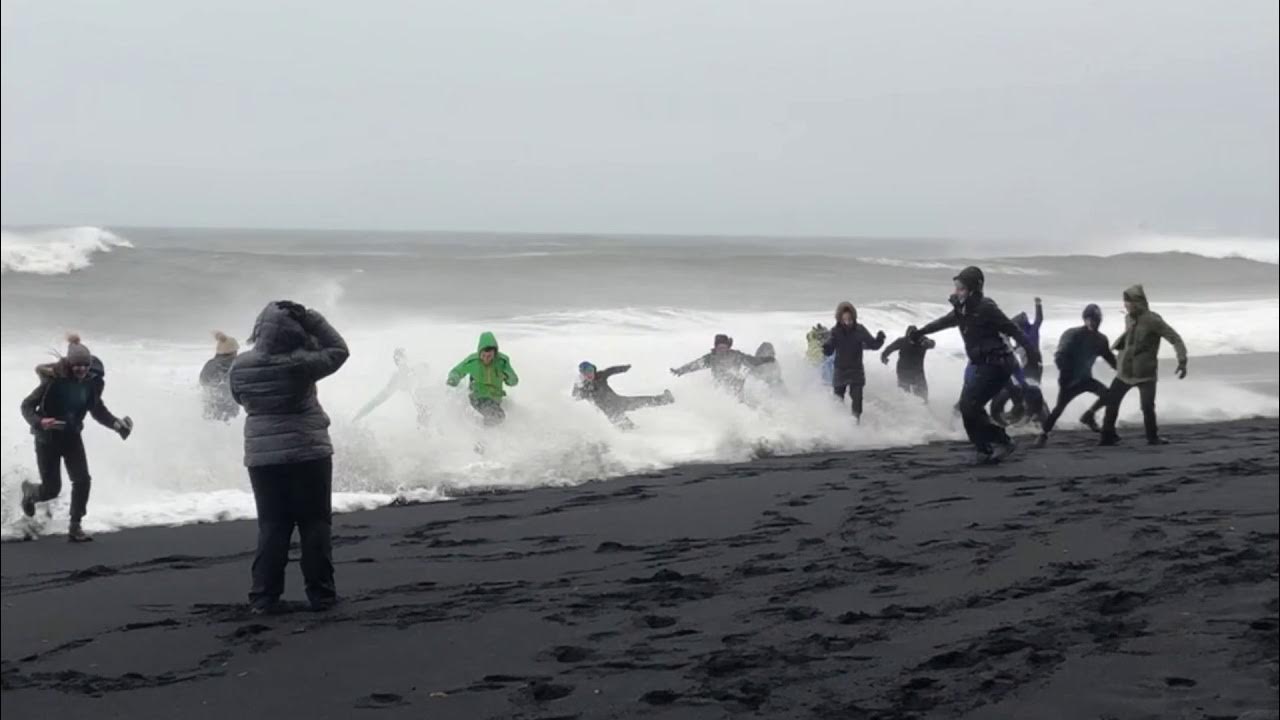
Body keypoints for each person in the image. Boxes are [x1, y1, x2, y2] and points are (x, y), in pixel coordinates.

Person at [229, 301, 349, 614]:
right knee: (314, 524)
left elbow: (238, 398)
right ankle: (321, 595)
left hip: (262, 456)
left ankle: (264, 597)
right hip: (309, 450)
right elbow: (339, 350)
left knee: (272, 526)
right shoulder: (302, 363)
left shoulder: (240, 366)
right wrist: (311, 318)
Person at [912, 266, 1041, 463]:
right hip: (980, 365)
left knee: (970, 406)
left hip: (998, 365)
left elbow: (1012, 329)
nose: (957, 292)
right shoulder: (961, 310)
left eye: (961, 289)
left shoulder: (986, 307)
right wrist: (920, 332)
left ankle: (1001, 442)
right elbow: (942, 323)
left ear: (974, 289)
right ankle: (984, 448)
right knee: (968, 408)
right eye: (956, 288)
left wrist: (1030, 352)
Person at [19, 334, 133, 542]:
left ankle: (75, 526)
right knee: (51, 489)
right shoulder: (53, 382)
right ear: (70, 365)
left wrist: (117, 425)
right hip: (47, 440)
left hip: (72, 437)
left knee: (82, 480)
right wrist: (40, 422)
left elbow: (97, 410)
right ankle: (30, 493)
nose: (81, 369)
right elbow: (26, 406)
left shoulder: (91, 383)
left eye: (85, 365)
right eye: (77, 365)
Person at [1099, 285, 1187, 446]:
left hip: (1145, 372)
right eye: (1125, 302)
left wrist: (1182, 361)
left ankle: (1153, 438)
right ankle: (1107, 436)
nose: (1125, 305)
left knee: (1147, 407)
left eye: (1128, 302)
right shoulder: (1128, 318)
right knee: (1112, 402)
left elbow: (1175, 338)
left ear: (1138, 302)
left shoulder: (1153, 320)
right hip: (1125, 371)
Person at [1034, 303, 1116, 447]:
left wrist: (1122, 369)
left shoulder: (1101, 340)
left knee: (1108, 395)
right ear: (1084, 319)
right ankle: (1043, 435)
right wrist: (1066, 373)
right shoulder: (1073, 334)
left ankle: (1089, 415)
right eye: (1089, 319)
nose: (1092, 322)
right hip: (1069, 380)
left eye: (1095, 319)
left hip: (1086, 379)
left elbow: (1109, 358)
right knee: (1058, 409)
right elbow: (1060, 355)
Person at [823, 302, 886, 421]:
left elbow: (873, 345)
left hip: (856, 371)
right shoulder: (835, 331)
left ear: (854, 317)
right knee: (838, 401)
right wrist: (826, 347)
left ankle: (855, 424)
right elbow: (829, 350)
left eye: (850, 319)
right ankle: (839, 426)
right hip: (840, 370)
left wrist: (880, 338)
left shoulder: (860, 330)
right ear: (840, 319)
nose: (847, 322)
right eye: (844, 319)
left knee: (857, 401)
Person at [670, 334, 775, 400]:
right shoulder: (711, 358)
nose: (722, 351)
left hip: (736, 385)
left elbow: (752, 360)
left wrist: (766, 359)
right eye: (719, 348)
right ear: (715, 347)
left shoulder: (735, 355)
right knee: (723, 396)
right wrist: (680, 371)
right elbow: (695, 365)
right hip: (721, 386)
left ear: (728, 347)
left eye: (724, 348)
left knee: (738, 391)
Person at [447, 331, 519, 426]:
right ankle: (486, 435)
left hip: (495, 399)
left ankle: (483, 433)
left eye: (489, 356)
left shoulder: (502, 362)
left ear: (495, 353)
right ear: (479, 352)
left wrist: (508, 376)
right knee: (498, 416)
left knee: (501, 415)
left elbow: (513, 381)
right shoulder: (473, 361)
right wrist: (453, 379)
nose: (486, 359)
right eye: (483, 355)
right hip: (478, 397)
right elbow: (456, 371)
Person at [573, 361, 674, 428]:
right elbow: (575, 397)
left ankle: (666, 399)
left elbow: (610, 370)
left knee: (644, 401)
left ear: (594, 370)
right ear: (582, 374)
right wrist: (582, 389)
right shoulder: (582, 386)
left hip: (619, 401)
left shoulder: (600, 376)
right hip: (611, 412)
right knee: (629, 429)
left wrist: (624, 368)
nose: (589, 374)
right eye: (586, 372)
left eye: (591, 371)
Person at [353, 348, 431, 426]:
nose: (398, 361)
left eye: (400, 358)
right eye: (396, 359)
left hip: (431, 404)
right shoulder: (398, 378)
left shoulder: (418, 369)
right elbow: (376, 401)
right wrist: (357, 417)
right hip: (426, 410)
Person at [880, 325, 935, 401]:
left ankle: (924, 409)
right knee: (904, 396)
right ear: (907, 335)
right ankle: (903, 410)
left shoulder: (923, 341)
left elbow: (932, 343)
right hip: (903, 371)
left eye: (914, 336)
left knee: (923, 397)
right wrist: (884, 356)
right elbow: (889, 349)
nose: (911, 339)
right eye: (909, 336)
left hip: (917, 373)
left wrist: (928, 342)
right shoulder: (902, 341)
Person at [200, 331, 240, 422]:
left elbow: (202, 381)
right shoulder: (235, 365)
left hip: (210, 408)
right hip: (230, 410)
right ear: (233, 352)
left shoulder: (210, 364)